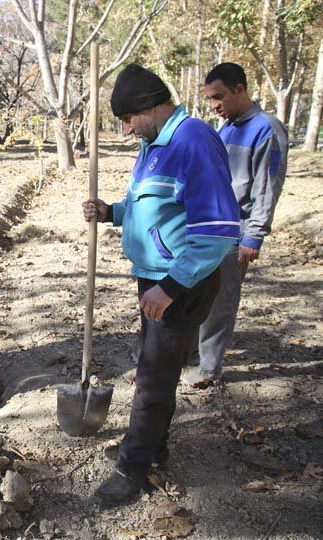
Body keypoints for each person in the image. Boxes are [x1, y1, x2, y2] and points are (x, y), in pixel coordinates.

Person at [82, 64, 240, 506]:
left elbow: (218, 229)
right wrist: (112, 212)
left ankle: (131, 469)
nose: (127, 129)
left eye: (129, 119)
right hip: (154, 278)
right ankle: (156, 447)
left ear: (149, 106)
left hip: (180, 283)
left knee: (152, 378)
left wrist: (170, 286)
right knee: (158, 369)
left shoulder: (192, 141)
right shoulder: (154, 144)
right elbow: (153, 206)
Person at [182, 62, 289, 387]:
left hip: (235, 232)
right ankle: (190, 353)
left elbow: (267, 187)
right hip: (207, 227)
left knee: (219, 302)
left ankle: (208, 368)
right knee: (196, 295)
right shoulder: (225, 127)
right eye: (211, 98)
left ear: (240, 90)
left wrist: (254, 236)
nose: (214, 105)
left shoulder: (267, 130)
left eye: (219, 97)